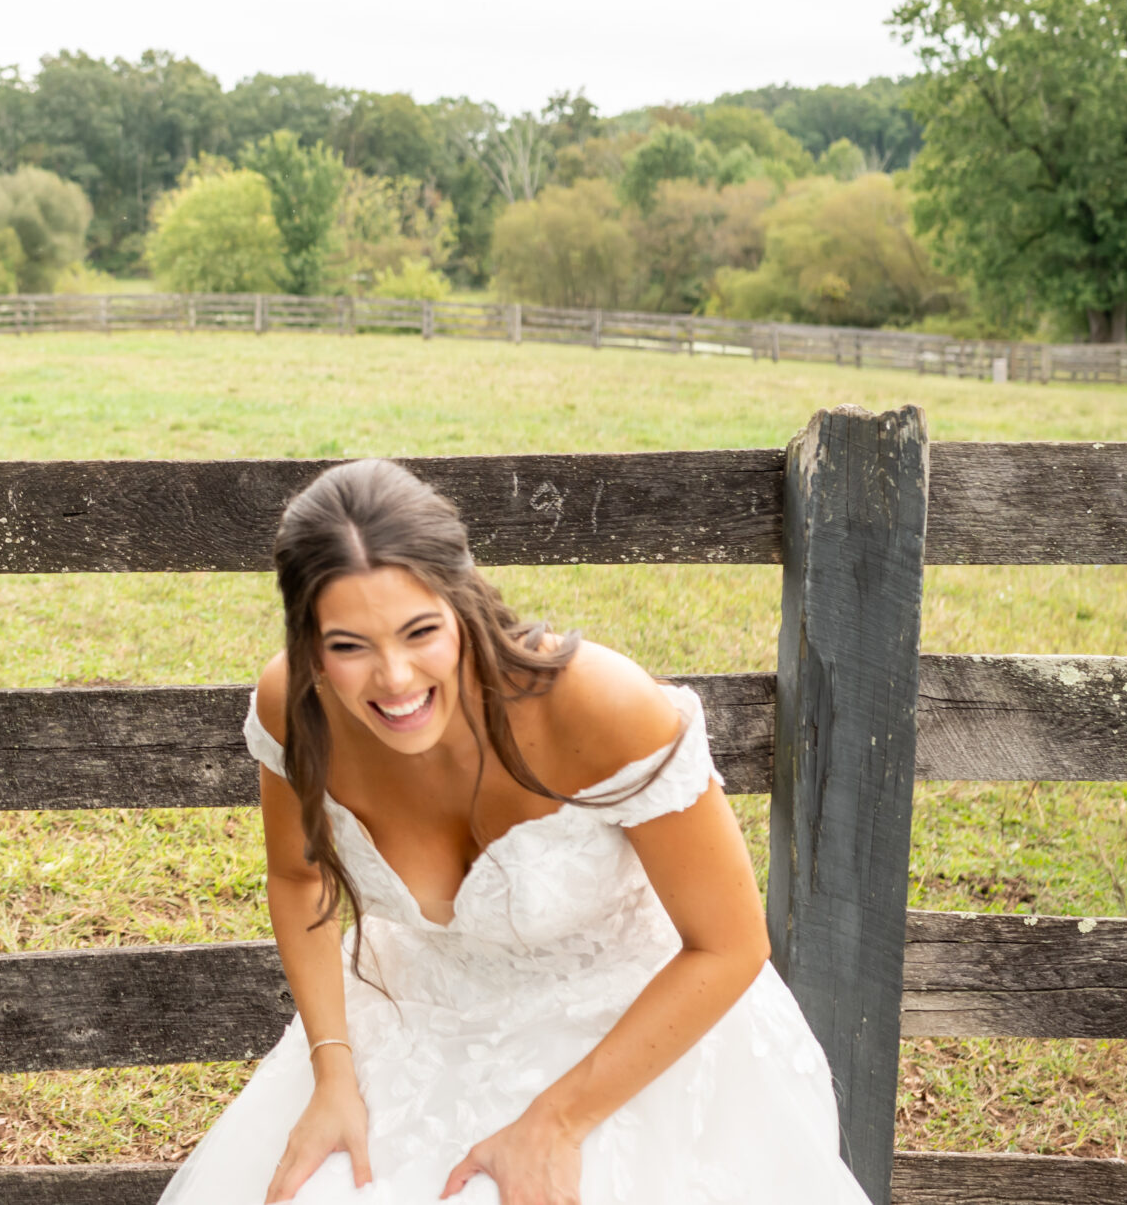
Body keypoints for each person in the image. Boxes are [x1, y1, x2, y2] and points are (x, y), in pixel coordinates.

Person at [161, 459, 869, 1205]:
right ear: (309, 641)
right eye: (348, 645)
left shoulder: (599, 705)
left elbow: (731, 945)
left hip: (628, 1032)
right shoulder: (293, 704)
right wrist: (333, 1070)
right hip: (416, 1021)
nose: (394, 677)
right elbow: (299, 877)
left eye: (420, 630)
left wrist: (556, 1123)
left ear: (463, 602)